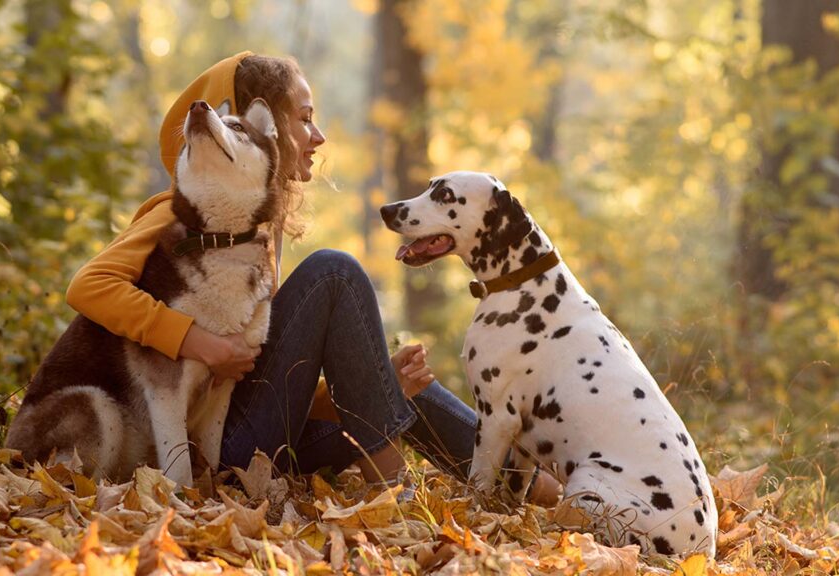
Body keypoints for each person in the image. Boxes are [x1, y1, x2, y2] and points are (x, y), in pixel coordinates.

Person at [66, 51, 557, 499]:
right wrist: (198, 343)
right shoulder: (181, 216)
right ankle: (396, 493)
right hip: (217, 450)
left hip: (251, 434)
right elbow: (90, 286)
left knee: (397, 378)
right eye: (304, 119)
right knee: (333, 273)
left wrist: (378, 384)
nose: (318, 137)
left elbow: (265, 381)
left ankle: (537, 488)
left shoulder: (255, 235)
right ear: (261, 125)